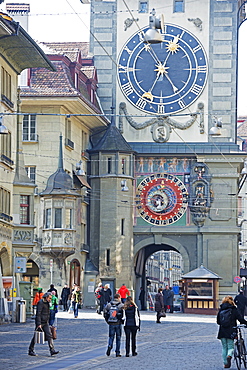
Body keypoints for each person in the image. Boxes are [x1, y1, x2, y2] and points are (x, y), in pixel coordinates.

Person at [217, 295, 247, 368]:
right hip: (231, 330)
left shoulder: (221, 309)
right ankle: (229, 356)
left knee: (224, 347)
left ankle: (226, 364)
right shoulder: (234, 309)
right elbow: (240, 319)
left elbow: (218, 322)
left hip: (222, 331)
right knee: (230, 346)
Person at [28, 292, 59, 357]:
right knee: (36, 337)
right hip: (40, 322)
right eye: (49, 298)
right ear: (46, 297)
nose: (50, 299)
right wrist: (38, 324)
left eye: (51, 298)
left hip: (46, 322)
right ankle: (30, 350)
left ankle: (52, 350)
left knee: (49, 335)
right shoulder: (40, 303)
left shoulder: (48, 303)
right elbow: (38, 314)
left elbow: (48, 313)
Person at [103, 293, 124, 357]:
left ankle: (110, 345)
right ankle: (117, 352)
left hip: (111, 323)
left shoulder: (109, 305)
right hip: (118, 323)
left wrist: (107, 321)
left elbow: (105, 312)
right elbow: (124, 314)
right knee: (118, 338)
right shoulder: (121, 305)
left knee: (111, 337)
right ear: (119, 297)